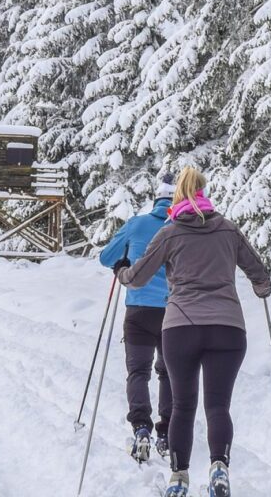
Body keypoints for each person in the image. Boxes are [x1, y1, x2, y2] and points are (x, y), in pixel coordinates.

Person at [114, 166, 271, 497]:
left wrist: (123, 273)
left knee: (184, 406)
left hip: (181, 328)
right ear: (204, 193)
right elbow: (259, 272)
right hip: (228, 329)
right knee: (218, 406)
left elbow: (139, 276)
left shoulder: (170, 233)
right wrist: (261, 288)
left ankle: (179, 477)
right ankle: (219, 467)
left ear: (177, 198)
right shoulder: (229, 230)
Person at [97, 175, 177, 463]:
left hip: (139, 310)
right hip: (173, 312)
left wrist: (123, 264)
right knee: (168, 373)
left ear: (155, 200)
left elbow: (107, 257)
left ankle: (141, 427)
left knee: (138, 372)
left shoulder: (137, 224)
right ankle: (166, 433)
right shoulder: (181, 227)